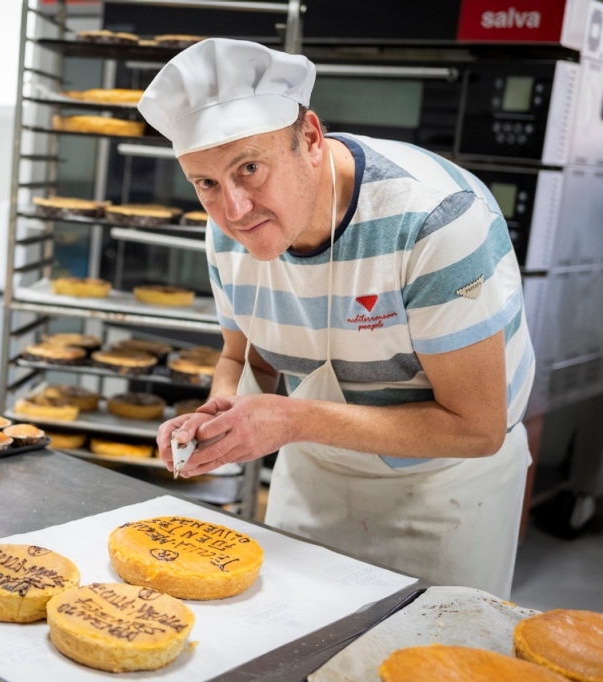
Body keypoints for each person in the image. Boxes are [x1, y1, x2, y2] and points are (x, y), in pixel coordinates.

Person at [142, 39, 534, 598]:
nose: (234, 209)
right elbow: (241, 355)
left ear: (310, 139)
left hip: (443, 497)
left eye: (249, 168)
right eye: (205, 183)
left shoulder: (433, 222)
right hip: (313, 484)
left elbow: (476, 426)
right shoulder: (228, 234)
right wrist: (219, 414)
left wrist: (292, 420)